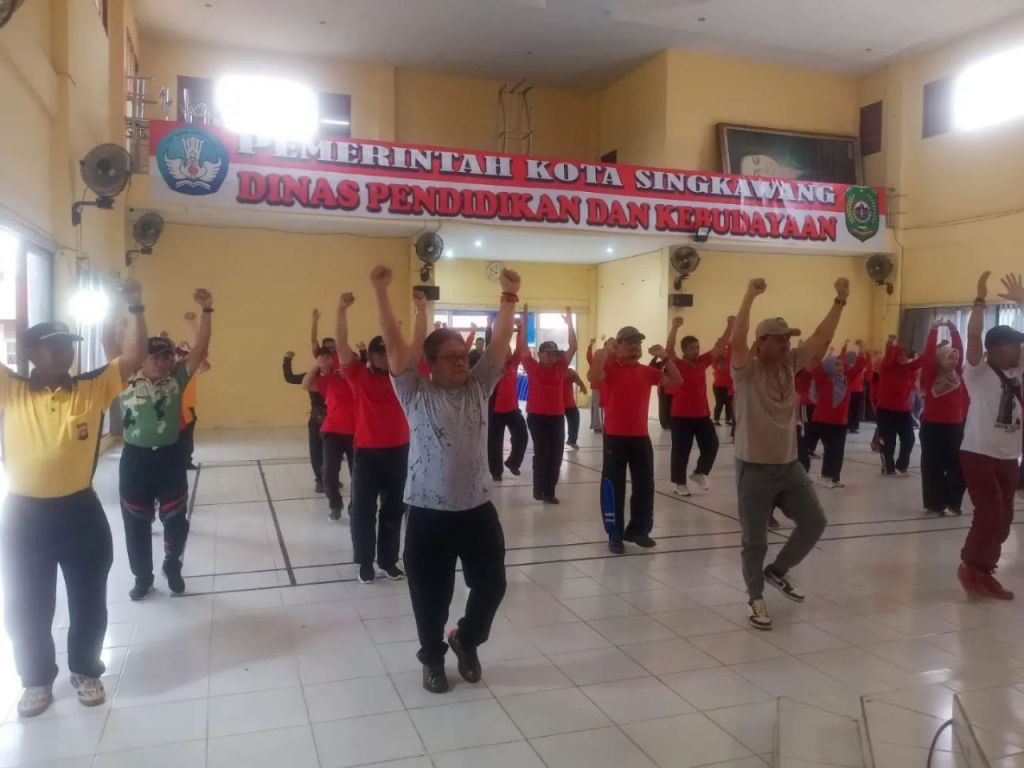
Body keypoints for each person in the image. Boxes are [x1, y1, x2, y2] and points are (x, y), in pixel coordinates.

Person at [0, 281, 148, 718]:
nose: (63, 353)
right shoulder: (10, 390)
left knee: (88, 599)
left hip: (80, 512)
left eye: (68, 345)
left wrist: (136, 305)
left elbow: (135, 357)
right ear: (29, 353)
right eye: (52, 346)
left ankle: (85, 670)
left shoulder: (91, 387)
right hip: (23, 517)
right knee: (27, 604)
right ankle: (36, 680)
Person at [372, 264, 519, 694]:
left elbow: (497, 347)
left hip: (477, 511)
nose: (461, 363)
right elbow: (399, 354)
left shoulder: (478, 387)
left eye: (463, 356)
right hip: (428, 513)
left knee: (492, 585)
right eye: (451, 358)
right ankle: (433, 658)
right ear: (430, 364)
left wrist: (508, 297)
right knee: (430, 597)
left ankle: (465, 639)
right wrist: (381, 291)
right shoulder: (415, 391)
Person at [731, 276, 848, 630]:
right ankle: (755, 599)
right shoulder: (745, 371)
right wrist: (749, 296)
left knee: (815, 522)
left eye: (787, 339)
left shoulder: (791, 363)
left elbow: (821, 338)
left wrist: (839, 301)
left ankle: (777, 571)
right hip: (754, 468)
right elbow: (737, 338)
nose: (786, 344)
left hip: (789, 466)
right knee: (755, 540)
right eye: (779, 339)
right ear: (761, 342)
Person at [119, 289, 213, 601]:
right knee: (136, 523)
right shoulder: (124, 379)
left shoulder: (177, 379)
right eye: (156, 356)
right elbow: (111, 345)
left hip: (170, 458)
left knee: (175, 519)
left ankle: (172, 564)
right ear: (140, 359)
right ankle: (143, 577)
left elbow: (200, 351)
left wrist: (207, 310)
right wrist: (130, 307)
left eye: (167, 356)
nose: (163, 361)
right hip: (136, 460)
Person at [957, 272, 1024, 600]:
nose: (1019, 348)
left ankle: (985, 570)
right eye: (1014, 343)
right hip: (978, 452)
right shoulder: (978, 372)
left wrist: (1022, 301)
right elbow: (972, 335)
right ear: (996, 348)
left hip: (1009, 454)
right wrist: (980, 300)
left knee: (1006, 515)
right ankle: (970, 566)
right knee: (990, 510)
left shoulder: (1018, 369)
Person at [336, 291, 410, 584]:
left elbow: (411, 347)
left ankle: (388, 561)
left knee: (393, 510)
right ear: (373, 355)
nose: (385, 356)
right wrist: (341, 309)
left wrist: (416, 311)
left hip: (399, 453)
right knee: (363, 512)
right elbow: (341, 343)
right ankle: (365, 562)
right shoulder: (357, 375)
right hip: (367, 455)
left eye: (389, 351)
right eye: (380, 352)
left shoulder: (403, 377)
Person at [589, 327, 682, 554]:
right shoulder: (609, 368)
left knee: (644, 486)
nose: (635, 347)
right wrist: (604, 350)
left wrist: (665, 357)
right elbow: (593, 376)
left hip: (641, 438)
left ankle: (639, 531)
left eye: (638, 343)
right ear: (618, 346)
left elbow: (677, 382)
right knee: (613, 487)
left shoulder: (646, 371)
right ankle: (615, 535)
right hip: (615, 439)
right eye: (629, 343)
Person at [666, 315, 732, 496]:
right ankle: (679, 483)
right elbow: (669, 349)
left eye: (698, 347)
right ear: (684, 350)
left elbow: (719, 347)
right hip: (681, 416)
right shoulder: (677, 364)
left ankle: (699, 472)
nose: (697, 350)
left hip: (702, 415)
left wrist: (730, 326)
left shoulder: (702, 362)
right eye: (693, 348)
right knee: (681, 451)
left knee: (712, 445)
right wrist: (674, 327)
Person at [519, 309, 577, 503]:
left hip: (556, 417)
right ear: (541, 354)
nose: (554, 357)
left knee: (556, 455)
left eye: (555, 354)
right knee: (542, 452)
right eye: (550, 354)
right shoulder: (532, 367)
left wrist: (569, 323)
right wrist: (524, 324)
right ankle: (539, 489)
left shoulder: (561, 367)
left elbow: (573, 346)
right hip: (537, 417)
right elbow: (522, 347)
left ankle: (550, 491)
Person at [919, 319, 968, 516]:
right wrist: (933, 329)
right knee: (932, 467)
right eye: (950, 357)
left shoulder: (958, 374)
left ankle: (952, 501)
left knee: (960, 466)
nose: (955, 360)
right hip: (932, 427)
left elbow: (960, 351)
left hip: (955, 427)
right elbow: (929, 355)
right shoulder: (932, 374)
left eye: (956, 359)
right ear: (940, 360)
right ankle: (935, 503)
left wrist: (954, 330)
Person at [302, 347, 356, 520]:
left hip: (357, 434)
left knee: (359, 474)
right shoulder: (330, 380)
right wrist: (316, 365)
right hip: (332, 433)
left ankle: (355, 507)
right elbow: (306, 385)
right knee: (328, 471)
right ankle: (335, 504)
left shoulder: (360, 381)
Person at [810, 343, 867, 489]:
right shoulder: (824, 379)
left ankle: (835, 477)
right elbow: (817, 367)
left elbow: (859, 367)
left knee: (839, 450)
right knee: (831, 449)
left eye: (841, 365)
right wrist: (824, 346)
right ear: (829, 367)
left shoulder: (846, 379)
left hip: (841, 421)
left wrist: (862, 352)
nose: (840, 367)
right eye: (836, 365)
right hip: (824, 421)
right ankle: (826, 475)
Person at [876, 336, 922, 476]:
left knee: (909, 439)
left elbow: (921, 361)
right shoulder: (886, 368)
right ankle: (888, 467)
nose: (902, 356)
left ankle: (902, 465)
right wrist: (890, 346)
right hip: (886, 410)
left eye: (904, 354)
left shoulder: (909, 370)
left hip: (903, 412)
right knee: (888, 441)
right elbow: (888, 359)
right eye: (899, 354)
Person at [283, 349, 327, 492]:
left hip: (335, 417)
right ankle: (321, 480)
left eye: (328, 357)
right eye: (322, 358)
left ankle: (329, 479)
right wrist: (287, 360)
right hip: (317, 417)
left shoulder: (336, 376)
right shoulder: (310, 376)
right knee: (316, 451)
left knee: (331, 452)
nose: (325, 361)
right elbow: (290, 378)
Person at [488, 343, 528, 481]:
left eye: (509, 351)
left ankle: (513, 462)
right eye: (505, 352)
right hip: (495, 411)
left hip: (512, 410)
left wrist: (523, 324)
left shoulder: (514, 365)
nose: (508, 354)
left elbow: (520, 347)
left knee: (522, 436)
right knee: (494, 443)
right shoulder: (492, 369)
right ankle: (496, 472)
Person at [177, 312, 210, 470]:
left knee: (186, 437)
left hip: (188, 408)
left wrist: (192, 324)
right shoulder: (172, 368)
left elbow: (204, 364)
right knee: (176, 437)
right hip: (173, 407)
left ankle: (185, 461)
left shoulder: (190, 368)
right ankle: (175, 462)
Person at [563, 368, 587, 449]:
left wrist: (582, 385)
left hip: (569, 403)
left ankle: (572, 440)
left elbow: (577, 378)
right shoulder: (553, 370)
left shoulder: (569, 371)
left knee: (575, 417)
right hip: (556, 404)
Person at [847, 341, 868, 434]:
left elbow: (865, 361)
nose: (853, 358)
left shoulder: (858, 367)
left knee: (855, 410)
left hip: (858, 390)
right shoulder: (847, 367)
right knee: (849, 409)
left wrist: (861, 349)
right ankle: (847, 425)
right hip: (850, 391)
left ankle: (853, 426)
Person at [712, 342, 734, 427]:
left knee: (729, 403)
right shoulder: (717, 360)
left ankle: (728, 419)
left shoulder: (729, 358)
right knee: (719, 403)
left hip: (729, 385)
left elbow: (731, 349)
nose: (725, 352)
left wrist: (729, 343)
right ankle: (716, 419)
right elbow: (715, 357)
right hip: (718, 386)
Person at [587, 339, 604, 433]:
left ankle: (600, 425)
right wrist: (590, 346)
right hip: (597, 387)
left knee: (599, 406)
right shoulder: (594, 362)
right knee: (596, 406)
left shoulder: (606, 362)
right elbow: (588, 356)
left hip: (602, 387)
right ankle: (597, 426)